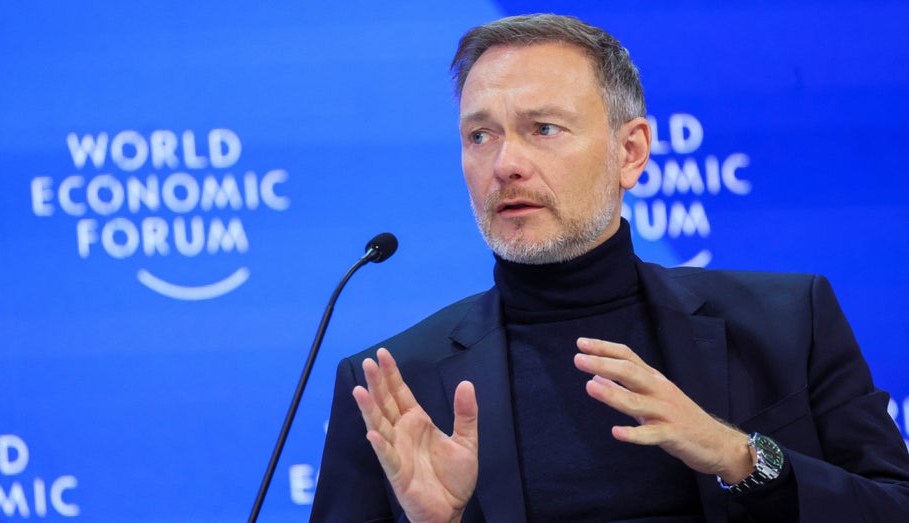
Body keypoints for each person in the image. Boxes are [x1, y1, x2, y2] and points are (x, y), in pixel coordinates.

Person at [310, 13, 909, 523]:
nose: (505, 163)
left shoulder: (788, 323)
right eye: (480, 135)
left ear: (631, 151)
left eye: (544, 128)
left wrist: (739, 457)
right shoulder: (394, 386)